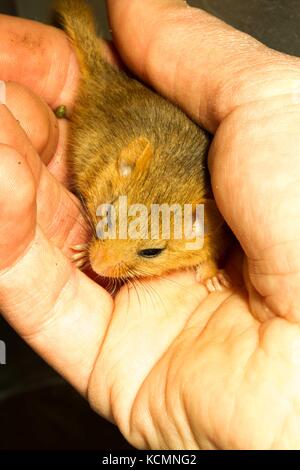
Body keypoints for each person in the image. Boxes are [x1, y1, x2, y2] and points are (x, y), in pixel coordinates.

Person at [0, 0, 300, 450]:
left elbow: (207, 245)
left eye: (149, 252)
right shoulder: (125, 170)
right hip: (123, 129)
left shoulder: (206, 227)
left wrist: (210, 267)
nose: (103, 260)